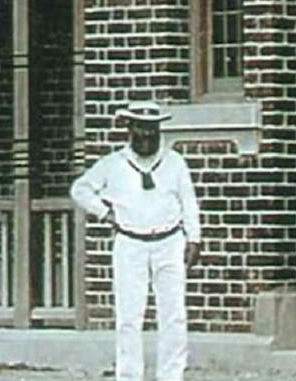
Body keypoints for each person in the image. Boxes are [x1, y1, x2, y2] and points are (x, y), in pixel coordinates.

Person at [70, 101, 203, 381]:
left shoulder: (174, 162)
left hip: (169, 243)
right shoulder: (113, 164)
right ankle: (129, 376)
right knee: (129, 317)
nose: (146, 136)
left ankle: (171, 376)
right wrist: (106, 213)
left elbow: (188, 202)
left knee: (174, 316)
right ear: (129, 129)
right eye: (140, 129)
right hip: (130, 244)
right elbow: (80, 189)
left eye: (152, 130)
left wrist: (194, 239)